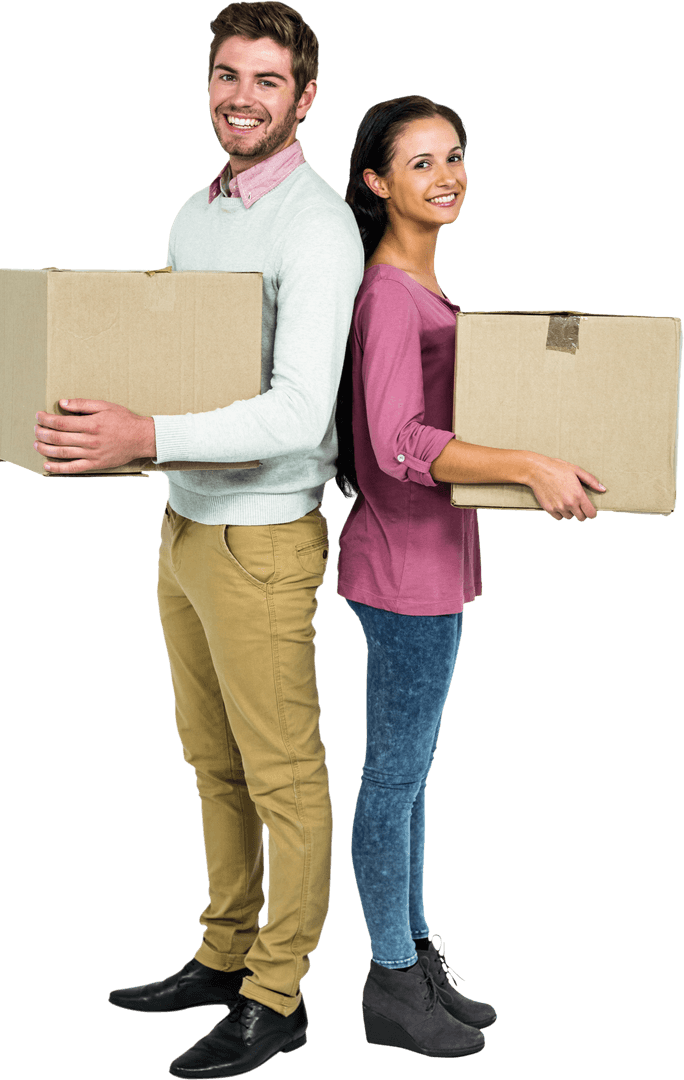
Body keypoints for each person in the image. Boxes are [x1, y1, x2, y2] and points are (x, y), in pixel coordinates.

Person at [0, 4, 363, 1078]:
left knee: (284, 778)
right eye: (228, 74)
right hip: (183, 527)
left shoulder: (317, 228)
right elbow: (163, 367)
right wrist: (0, 388)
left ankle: (278, 997)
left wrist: (147, 433)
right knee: (210, 761)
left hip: (263, 542)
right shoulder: (197, 212)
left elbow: (299, 413)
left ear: (305, 96)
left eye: (267, 80)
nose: (242, 95)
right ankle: (226, 953)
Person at [333, 95, 606, 1060]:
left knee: (410, 784)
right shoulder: (385, 297)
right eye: (419, 163)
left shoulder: (428, 293)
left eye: (454, 157)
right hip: (401, 571)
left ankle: (411, 953)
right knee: (391, 782)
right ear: (374, 182)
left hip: (436, 569)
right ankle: (388, 983)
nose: (445, 175)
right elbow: (395, 443)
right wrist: (526, 465)